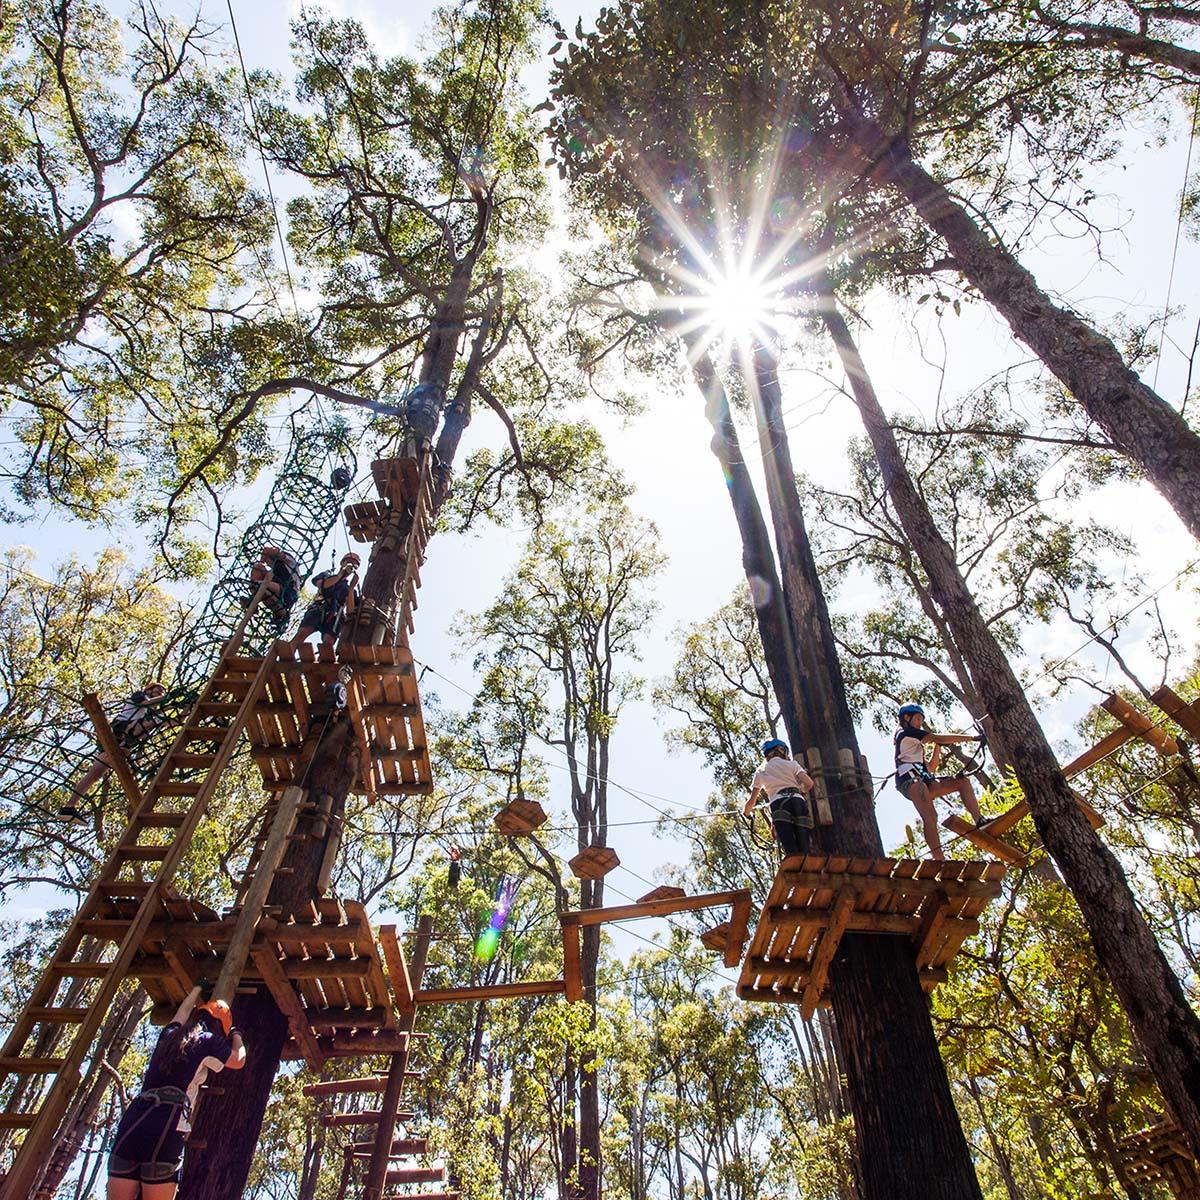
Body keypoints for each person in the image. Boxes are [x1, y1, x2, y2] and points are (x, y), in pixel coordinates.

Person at [107, 985, 246, 1198]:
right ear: (220, 1028)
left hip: (134, 1121)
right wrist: (237, 1035)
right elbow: (238, 1060)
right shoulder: (208, 1040)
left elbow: (181, 1013)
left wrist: (196, 989)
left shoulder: (170, 1035)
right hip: (166, 1125)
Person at [60, 682, 169, 821]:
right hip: (119, 733)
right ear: (149, 689)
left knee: (94, 774)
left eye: (163, 692)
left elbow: (166, 720)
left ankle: (68, 807)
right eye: (158, 689)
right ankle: (123, 749)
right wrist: (168, 698)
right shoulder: (139, 696)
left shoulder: (151, 712)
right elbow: (145, 704)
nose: (161, 692)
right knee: (154, 721)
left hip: (123, 742)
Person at [893, 702, 985, 859]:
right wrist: (973, 738)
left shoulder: (915, 745)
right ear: (906, 718)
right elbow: (936, 737)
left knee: (962, 782)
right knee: (930, 816)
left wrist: (938, 745)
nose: (920, 723)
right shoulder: (905, 734)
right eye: (917, 719)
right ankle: (939, 859)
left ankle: (980, 820)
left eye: (922, 719)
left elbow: (931, 767)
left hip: (923, 779)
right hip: (910, 780)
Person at [744, 738, 816, 859]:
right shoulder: (792, 764)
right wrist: (801, 792)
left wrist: (746, 813)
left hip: (778, 804)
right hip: (798, 801)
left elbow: (752, 800)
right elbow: (809, 783)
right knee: (804, 847)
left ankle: (794, 864)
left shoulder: (761, 770)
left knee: (790, 848)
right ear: (781, 750)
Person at [291, 553, 360, 649]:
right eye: (348, 562)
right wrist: (340, 575)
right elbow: (323, 585)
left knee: (328, 643)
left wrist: (352, 588)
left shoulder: (348, 589)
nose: (351, 566)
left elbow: (350, 611)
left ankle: (323, 661)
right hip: (319, 609)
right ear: (342, 563)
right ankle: (291, 651)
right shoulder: (326, 575)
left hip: (335, 615)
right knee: (302, 634)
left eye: (354, 565)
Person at [247, 546, 300, 630]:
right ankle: (253, 602)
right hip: (272, 592)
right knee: (258, 567)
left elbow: (273, 552)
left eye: (268, 560)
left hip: (288, 594)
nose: (267, 563)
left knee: (262, 585)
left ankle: (281, 615)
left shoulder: (289, 561)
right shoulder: (272, 573)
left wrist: (266, 553)